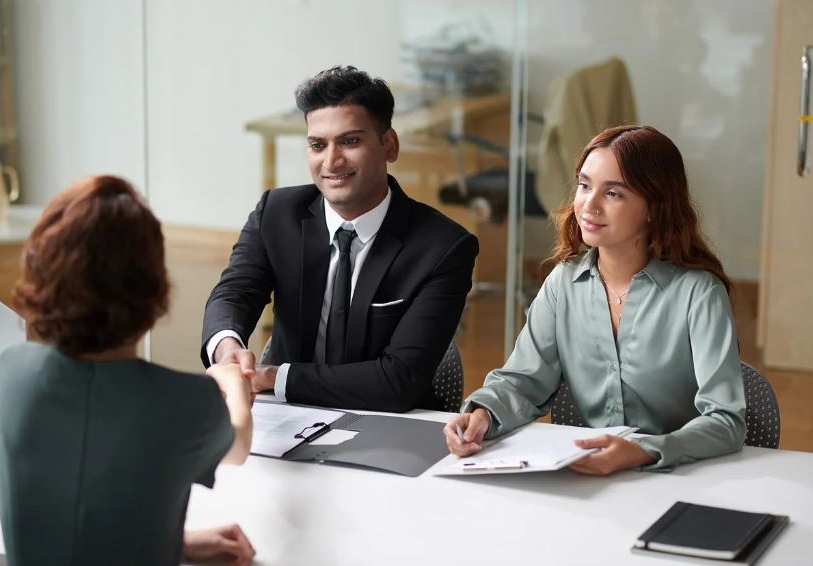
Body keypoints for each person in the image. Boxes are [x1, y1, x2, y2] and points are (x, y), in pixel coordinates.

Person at [0, 176, 256, 565]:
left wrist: (175, 540)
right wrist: (233, 383)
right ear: (153, 288)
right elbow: (238, 447)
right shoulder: (186, 401)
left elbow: (68, 502)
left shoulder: (10, 370)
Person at [444, 125, 747, 474]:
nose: (589, 205)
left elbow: (726, 420)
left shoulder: (699, 293)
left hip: (678, 476)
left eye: (614, 193)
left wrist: (644, 451)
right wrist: (480, 417)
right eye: (585, 186)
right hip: (588, 478)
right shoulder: (563, 284)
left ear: (654, 207)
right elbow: (522, 383)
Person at [202, 66, 479, 412]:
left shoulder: (444, 248)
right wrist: (226, 345)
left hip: (389, 424)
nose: (331, 161)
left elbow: (399, 381)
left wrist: (275, 378)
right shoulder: (275, 214)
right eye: (317, 145)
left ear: (389, 145)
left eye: (350, 141)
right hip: (286, 418)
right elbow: (234, 292)